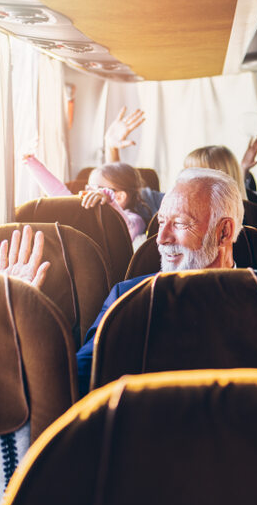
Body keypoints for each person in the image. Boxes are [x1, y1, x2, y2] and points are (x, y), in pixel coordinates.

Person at [73, 167, 244, 394]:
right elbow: (76, 379)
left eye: (181, 224)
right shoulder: (127, 298)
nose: (162, 239)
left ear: (223, 232)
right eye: (162, 222)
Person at [21, 154, 146, 241]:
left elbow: (126, 226)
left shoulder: (136, 219)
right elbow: (59, 193)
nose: (88, 192)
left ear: (119, 197)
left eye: (94, 188)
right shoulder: (86, 211)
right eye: (88, 187)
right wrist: (32, 163)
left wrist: (108, 198)